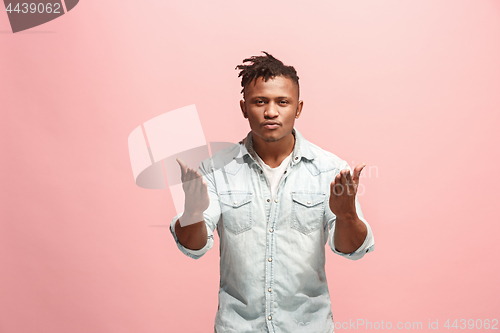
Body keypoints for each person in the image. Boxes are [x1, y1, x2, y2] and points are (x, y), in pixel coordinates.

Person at [170, 52, 375, 333]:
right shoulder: (216, 170)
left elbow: (353, 250)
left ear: (298, 108)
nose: (271, 112)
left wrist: (347, 215)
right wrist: (192, 212)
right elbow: (194, 247)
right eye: (259, 101)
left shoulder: (330, 169)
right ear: (244, 108)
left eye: (282, 102)